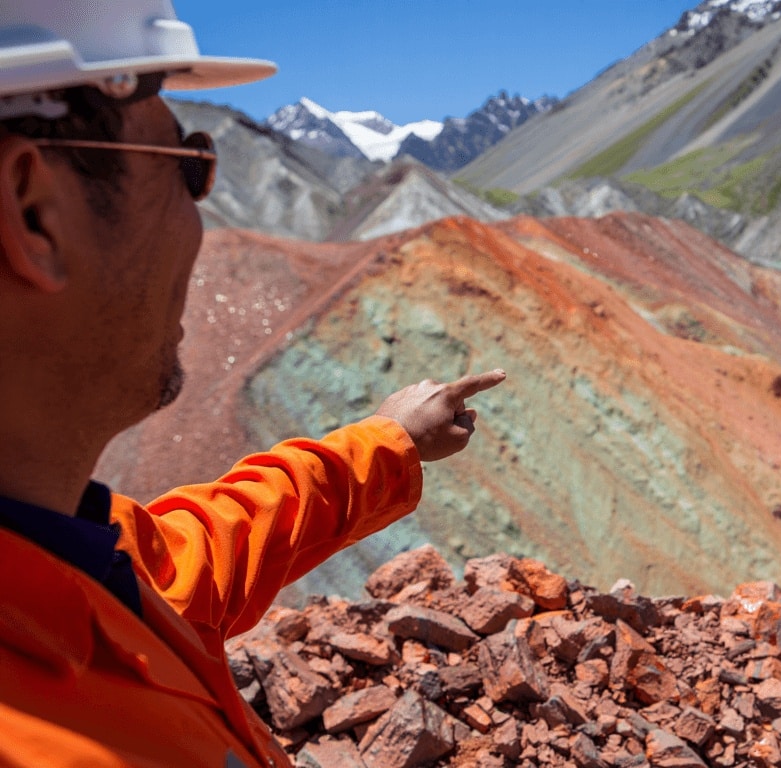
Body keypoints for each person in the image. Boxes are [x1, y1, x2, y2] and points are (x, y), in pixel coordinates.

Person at [0, 3, 504, 766]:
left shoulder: (66, 556)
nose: (202, 223)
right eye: (188, 167)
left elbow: (197, 556)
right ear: (33, 212)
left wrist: (391, 442)